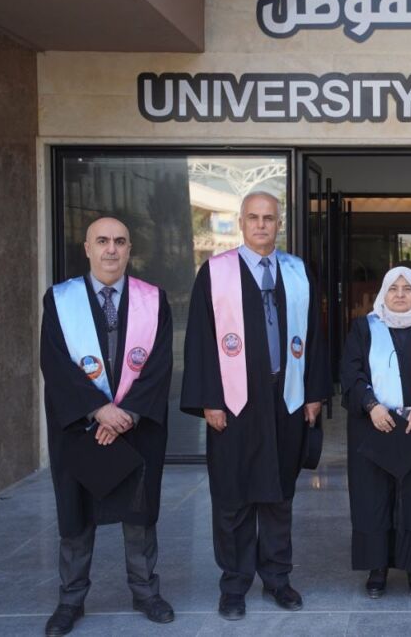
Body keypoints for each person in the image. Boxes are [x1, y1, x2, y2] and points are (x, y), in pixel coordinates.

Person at [181, 191, 329, 619]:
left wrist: (314, 393)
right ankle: (234, 583)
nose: (261, 225)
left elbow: (315, 335)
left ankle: (278, 578)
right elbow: (200, 340)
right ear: (241, 222)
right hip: (234, 402)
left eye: (269, 218)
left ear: (279, 223)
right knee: (234, 496)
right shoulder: (215, 272)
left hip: (286, 396)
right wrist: (210, 399)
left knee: (279, 495)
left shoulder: (297, 272)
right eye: (253, 217)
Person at [39, 217, 174, 636]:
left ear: (130, 249)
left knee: (140, 513)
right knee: (76, 516)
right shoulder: (60, 300)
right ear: (87, 248)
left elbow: (160, 365)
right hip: (80, 426)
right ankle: (71, 599)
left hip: (136, 426)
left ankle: (146, 593)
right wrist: (98, 410)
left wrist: (126, 414)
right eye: (102, 241)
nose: (111, 249)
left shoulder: (153, 300)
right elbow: (55, 364)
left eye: (119, 241)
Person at [340, 267, 411, 598]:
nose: (401, 294)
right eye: (393, 288)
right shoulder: (364, 328)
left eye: (408, 288)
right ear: (384, 293)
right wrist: (371, 405)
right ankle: (377, 568)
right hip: (374, 425)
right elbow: (351, 371)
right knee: (374, 496)